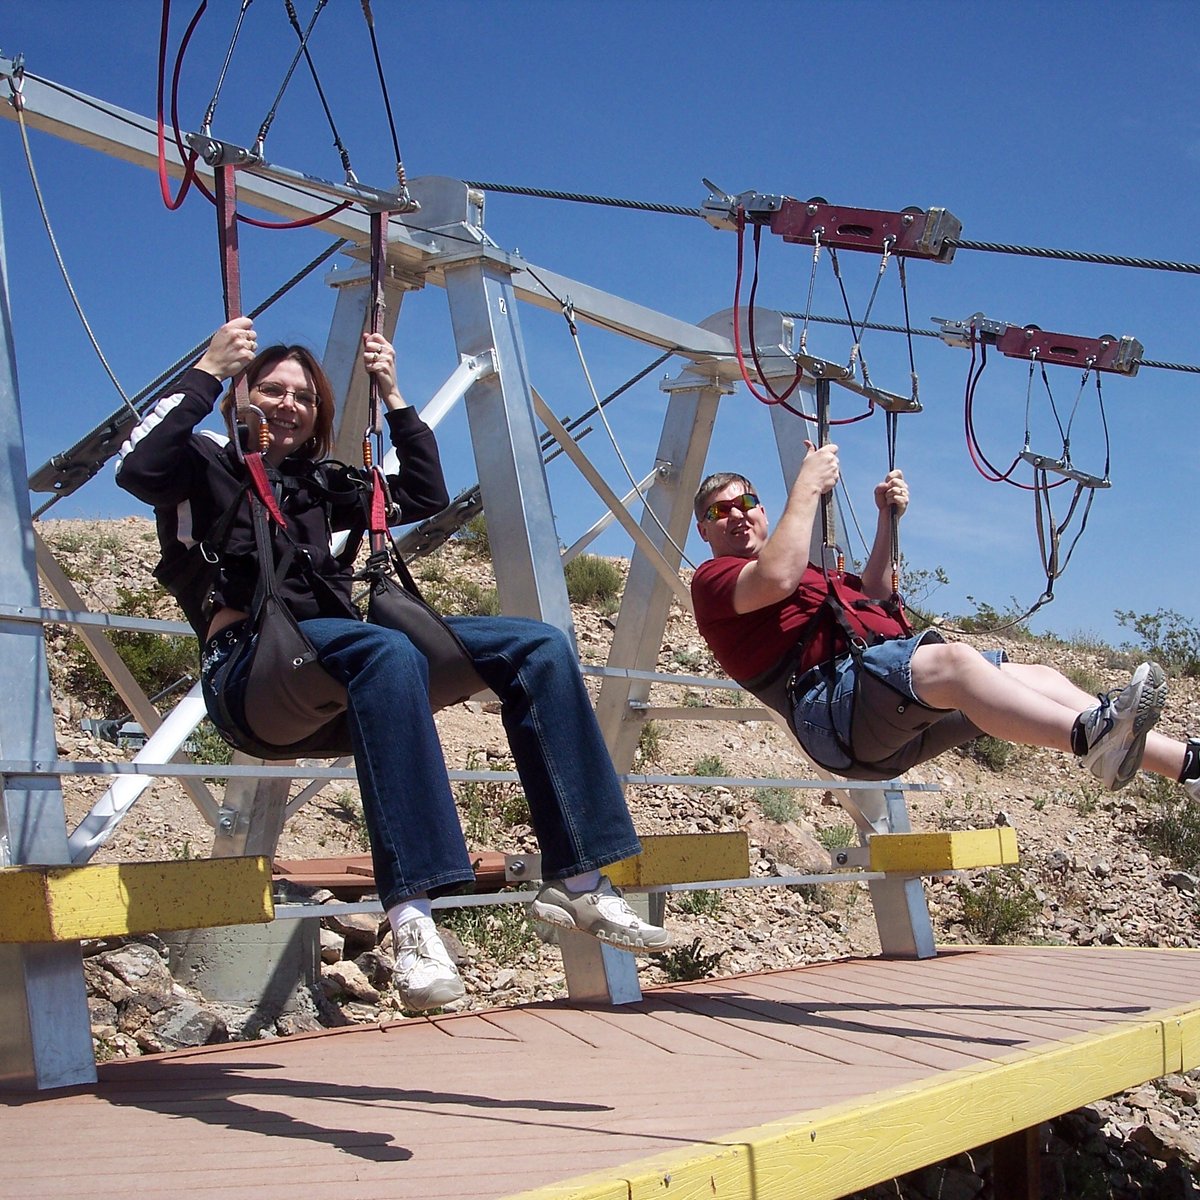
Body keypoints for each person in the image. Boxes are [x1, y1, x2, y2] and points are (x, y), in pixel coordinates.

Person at [117, 316, 671, 1013]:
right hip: (252, 674)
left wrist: (395, 396)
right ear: (242, 397)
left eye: (304, 396)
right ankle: (412, 919)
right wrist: (206, 366)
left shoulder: (319, 482)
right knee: (383, 646)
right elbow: (137, 469)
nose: (289, 404)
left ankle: (581, 878)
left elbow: (424, 494)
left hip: (346, 671)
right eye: (273, 390)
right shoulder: (203, 465)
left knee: (540, 647)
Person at [690, 444, 1200, 800]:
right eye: (720, 512)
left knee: (1031, 676)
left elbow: (874, 595)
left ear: (761, 510)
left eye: (747, 503)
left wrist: (887, 520)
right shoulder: (714, 579)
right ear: (703, 531)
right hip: (832, 715)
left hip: (873, 715)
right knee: (956, 663)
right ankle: (1092, 738)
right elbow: (776, 576)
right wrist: (807, 485)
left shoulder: (808, 572)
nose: (738, 515)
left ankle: (1187, 765)